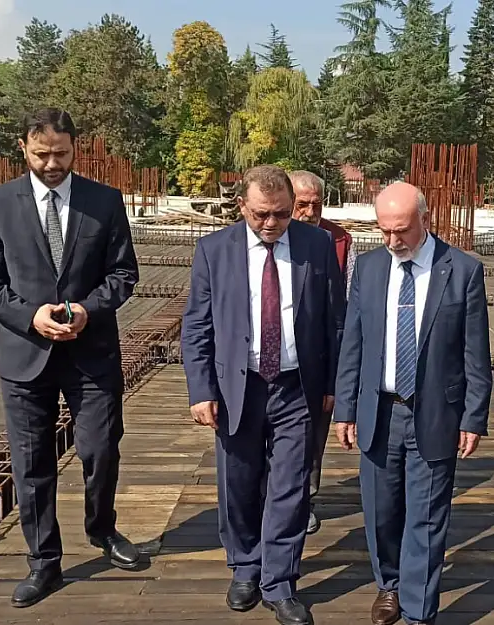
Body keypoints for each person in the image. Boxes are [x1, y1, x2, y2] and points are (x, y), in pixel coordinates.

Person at [0, 107, 141, 608]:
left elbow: (124, 273)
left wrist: (88, 308)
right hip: (26, 353)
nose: (51, 164)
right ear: (23, 148)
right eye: (42, 154)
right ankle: (44, 560)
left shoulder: (104, 202)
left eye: (61, 154)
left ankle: (102, 528)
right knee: (31, 461)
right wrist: (29, 316)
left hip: (92, 352)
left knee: (101, 447)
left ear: (75, 148)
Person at [181, 164, 345, 625]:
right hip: (239, 386)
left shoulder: (316, 246)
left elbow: (337, 321)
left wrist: (334, 383)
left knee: (291, 486)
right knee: (239, 483)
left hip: (298, 386)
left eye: (280, 214)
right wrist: (200, 389)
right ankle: (245, 566)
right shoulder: (214, 250)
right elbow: (197, 326)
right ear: (242, 206)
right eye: (260, 215)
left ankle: (279, 580)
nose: (270, 224)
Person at [334, 182, 493, 625]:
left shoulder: (461, 270)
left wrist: (474, 416)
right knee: (381, 511)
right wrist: (345, 408)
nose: (392, 241)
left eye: (401, 231)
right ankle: (389, 585)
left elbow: (475, 353)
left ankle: (419, 610)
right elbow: (354, 343)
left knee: (426, 515)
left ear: (426, 218)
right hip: (379, 411)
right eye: (384, 231)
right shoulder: (367, 268)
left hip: (436, 412)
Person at [288, 169, 355, 535]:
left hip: (319, 353)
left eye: (316, 204)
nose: (309, 211)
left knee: (313, 434)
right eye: (302, 204)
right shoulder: (266, 232)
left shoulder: (340, 240)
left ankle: (305, 500)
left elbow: (346, 307)